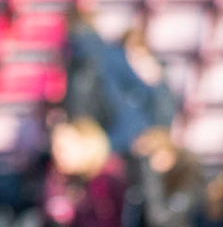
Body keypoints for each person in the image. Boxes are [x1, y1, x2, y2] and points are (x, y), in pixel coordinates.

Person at [65, 21, 178, 155]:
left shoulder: (156, 84)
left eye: (139, 55)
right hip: (103, 146)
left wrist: (156, 84)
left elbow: (162, 123)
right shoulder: (106, 73)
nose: (134, 60)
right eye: (129, 54)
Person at [40, 116, 126, 227]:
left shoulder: (108, 180)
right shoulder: (57, 179)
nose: (56, 154)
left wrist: (74, 224)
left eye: (63, 148)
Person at [128, 127, 207, 227]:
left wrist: (150, 178)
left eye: (151, 156)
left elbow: (159, 218)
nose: (148, 164)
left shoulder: (188, 183)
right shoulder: (140, 187)